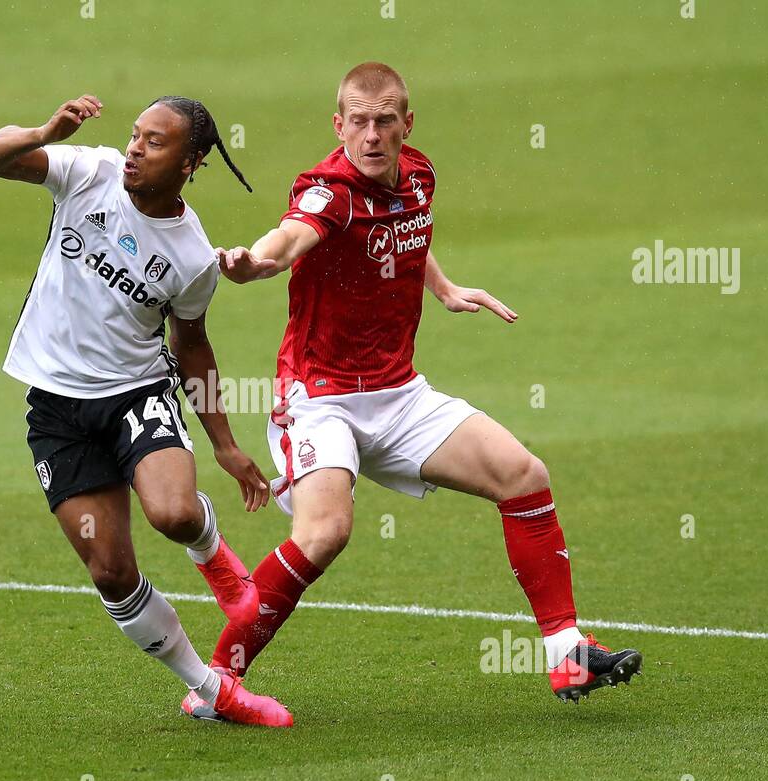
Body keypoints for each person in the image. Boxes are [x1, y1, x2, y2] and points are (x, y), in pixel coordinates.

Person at [185, 64, 641, 720]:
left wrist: (446, 288)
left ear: (406, 125)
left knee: (523, 474)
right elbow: (291, 238)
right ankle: (214, 686)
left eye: (385, 122)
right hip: (318, 399)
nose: (371, 136)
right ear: (338, 125)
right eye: (358, 123)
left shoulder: (418, 174)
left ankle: (567, 651)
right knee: (326, 532)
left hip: (398, 394)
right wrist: (256, 262)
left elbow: (404, 230)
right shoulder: (329, 191)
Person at [0, 93, 291, 726]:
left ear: (191, 161)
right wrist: (44, 130)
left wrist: (225, 444)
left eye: (155, 142)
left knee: (172, 512)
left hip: (136, 395)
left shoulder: (195, 257)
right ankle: (212, 689)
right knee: (112, 571)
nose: (134, 150)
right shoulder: (86, 173)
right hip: (58, 411)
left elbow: (192, 346)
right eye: (135, 135)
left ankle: (211, 555)